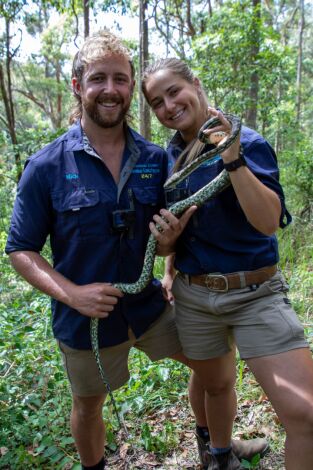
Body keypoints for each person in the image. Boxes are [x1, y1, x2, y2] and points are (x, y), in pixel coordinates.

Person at [5, 31, 266, 470]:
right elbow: (20, 250)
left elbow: (173, 232)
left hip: (151, 307)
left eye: (121, 79)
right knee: (88, 406)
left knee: (215, 369)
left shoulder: (154, 157)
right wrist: (73, 294)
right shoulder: (46, 166)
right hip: (86, 318)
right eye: (98, 79)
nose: (110, 89)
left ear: (130, 90)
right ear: (77, 86)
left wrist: (167, 249)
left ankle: (216, 448)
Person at [142, 57, 313, 470]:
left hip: (256, 294)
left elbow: (268, 222)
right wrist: (166, 253)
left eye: (174, 91)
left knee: (305, 415)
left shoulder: (247, 142)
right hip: (196, 296)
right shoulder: (168, 159)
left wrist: (232, 159)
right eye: (156, 102)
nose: (168, 106)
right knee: (215, 384)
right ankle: (219, 456)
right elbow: (174, 237)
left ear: (195, 84)